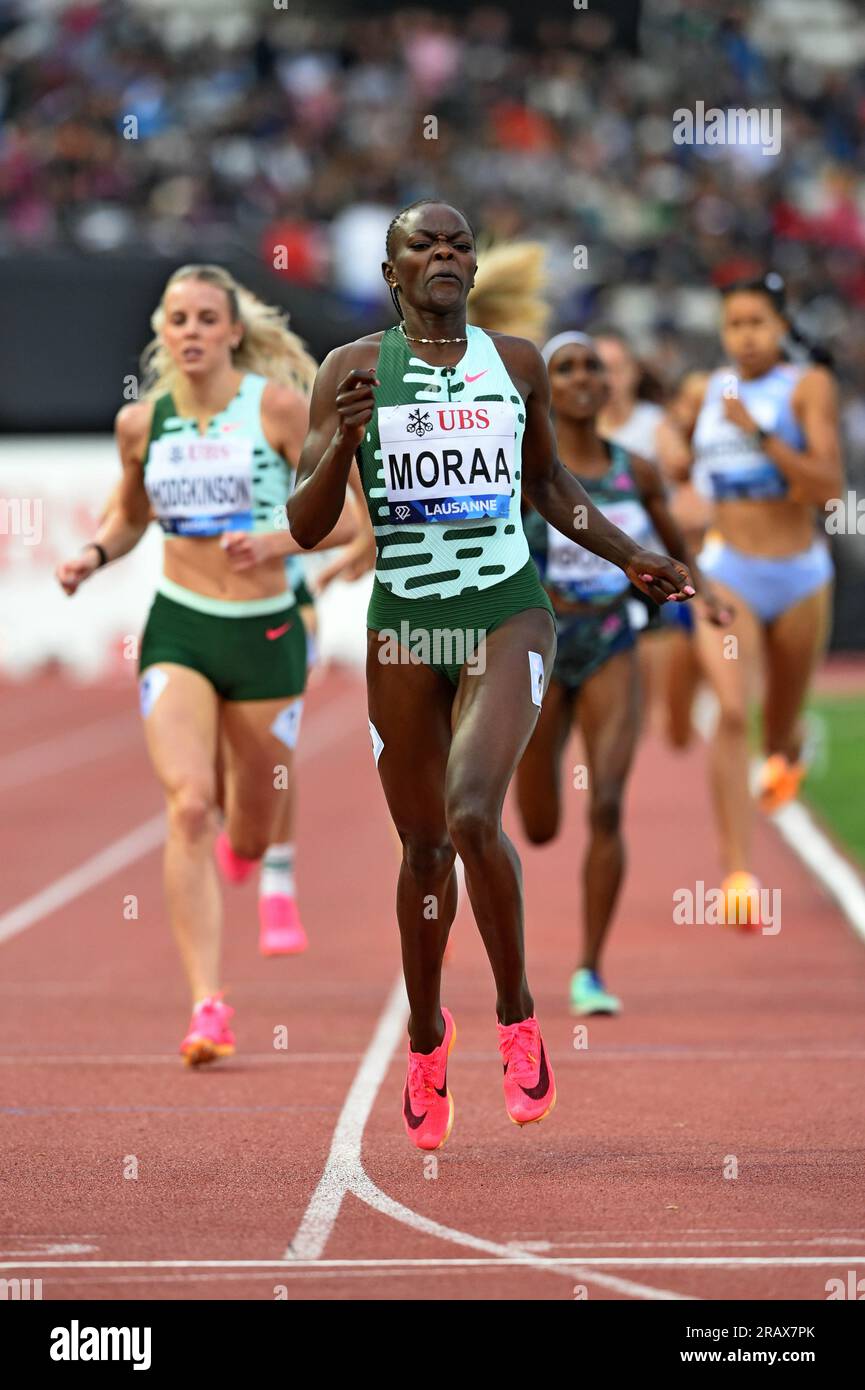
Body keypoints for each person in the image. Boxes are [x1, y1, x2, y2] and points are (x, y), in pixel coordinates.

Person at [288, 199, 695, 1150]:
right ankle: (428, 1039)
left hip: (502, 610)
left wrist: (632, 554)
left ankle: (517, 1015)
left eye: (456, 243)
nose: (441, 254)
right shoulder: (348, 372)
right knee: (424, 847)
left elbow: (549, 485)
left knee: (474, 812)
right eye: (420, 245)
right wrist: (344, 443)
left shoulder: (514, 365)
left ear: (471, 268)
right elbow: (306, 528)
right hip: (405, 627)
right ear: (391, 274)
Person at [56, 264, 357, 1063]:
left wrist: (276, 539)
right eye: (176, 318)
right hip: (180, 630)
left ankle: (252, 854)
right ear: (160, 331)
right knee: (189, 804)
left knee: (251, 832)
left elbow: (347, 516)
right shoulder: (140, 423)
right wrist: (93, 553)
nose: (188, 330)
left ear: (231, 331)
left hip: (266, 636)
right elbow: (128, 518)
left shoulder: (277, 407)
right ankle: (206, 1007)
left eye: (204, 318)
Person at [517, 332, 727, 1014]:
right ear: (545, 389)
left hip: (611, 637)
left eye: (592, 368)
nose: (582, 378)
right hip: (542, 644)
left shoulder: (635, 471)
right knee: (540, 824)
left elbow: (670, 545)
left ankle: (589, 971)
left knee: (606, 802)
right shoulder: (523, 472)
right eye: (565, 368)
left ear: (610, 388)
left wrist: (708, 595)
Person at [666, 274, 842, 925]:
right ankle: (736, 872)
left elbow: (827, 487)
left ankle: (787, 754)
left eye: (756, 323)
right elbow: (676, 464)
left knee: (780, 727)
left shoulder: (805, 387)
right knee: (733, 712)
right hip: (726, 570)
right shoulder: (707, 389)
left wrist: (760, 437)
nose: (744, 337)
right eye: (733, 325)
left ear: (779, 327)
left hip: (797, 574)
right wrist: (679, 451)